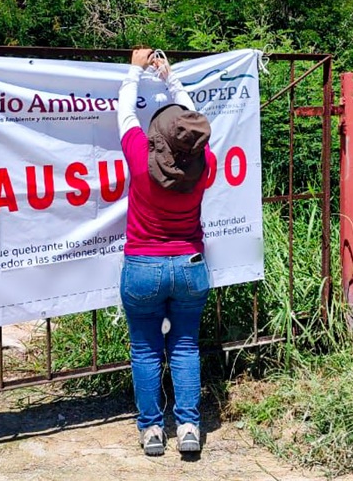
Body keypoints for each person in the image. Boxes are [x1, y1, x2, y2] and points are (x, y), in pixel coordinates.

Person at [117, 46, 213, 456]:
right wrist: (173, 82)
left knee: (145, 350)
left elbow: (124, 117)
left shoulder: (142, 160)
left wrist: (134, 73)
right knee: (186, 346)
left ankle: (153, 431)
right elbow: (193, 130)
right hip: (190, 267)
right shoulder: (203, 165)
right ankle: (189, 426)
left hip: (143, 267)